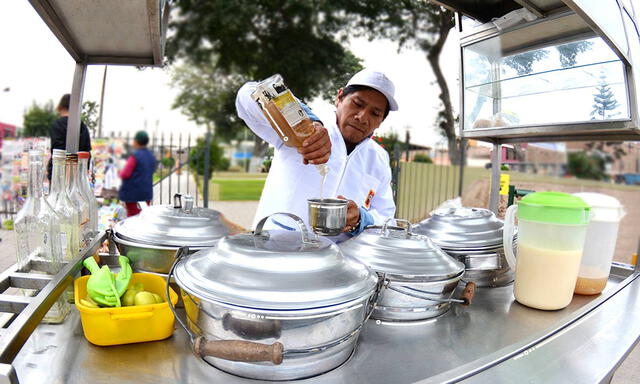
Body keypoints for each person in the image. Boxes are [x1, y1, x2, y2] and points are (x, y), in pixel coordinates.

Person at [236, 68, 398, 241]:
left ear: (381, 121)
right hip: (274, 247)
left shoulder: (379, 159)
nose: (362, 117)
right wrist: (308, 121)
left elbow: (388, 221)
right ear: (339, 98)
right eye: (357, 104)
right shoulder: (302, 127)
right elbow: (247, 95)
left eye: (375, 113)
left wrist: (361, 219)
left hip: (336, 260)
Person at [47, 93, 92, 180]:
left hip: (59, 175)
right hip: (78, 175)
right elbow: (87, 152)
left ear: (61, 106)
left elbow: (57, 150)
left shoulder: (57, 125)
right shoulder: (82, 126)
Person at [119, 131, 157, 217]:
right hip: (146, 193)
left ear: (136, 141)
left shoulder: (135, 156)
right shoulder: (151, 156)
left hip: (133, 194)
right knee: (144, 215)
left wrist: (119, 171)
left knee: (132, 217)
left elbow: (125, 174)